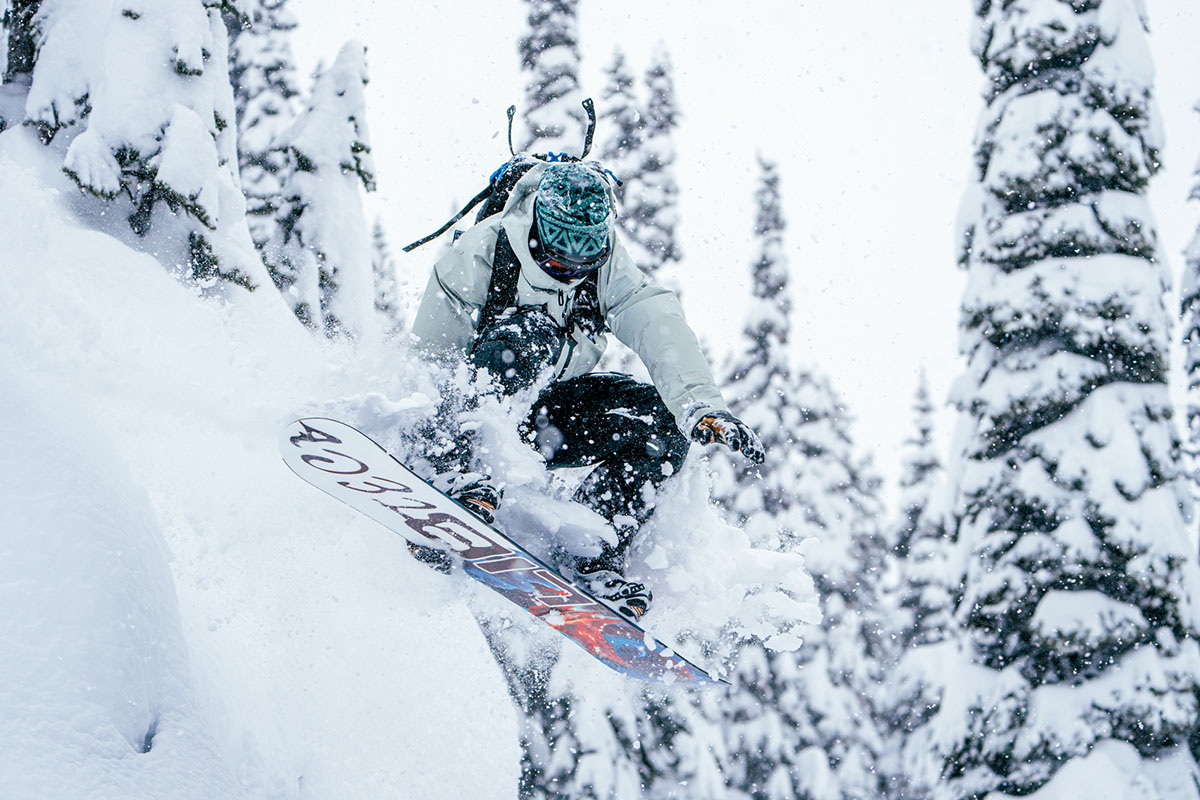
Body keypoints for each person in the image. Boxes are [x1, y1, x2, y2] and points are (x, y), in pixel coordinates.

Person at [411, 160, 763, 620]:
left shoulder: (607, 269)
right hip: (469, 415)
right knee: (529, 335)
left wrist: (699, 407)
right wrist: (437, 443)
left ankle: (590, 549)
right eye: (562, 242)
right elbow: (432, 359)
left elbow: (657, 325)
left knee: (662, 424)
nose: (573, 260)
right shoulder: (485, 249)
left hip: (544, 424)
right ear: (538, 224)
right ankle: (451, 473)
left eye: (588, 245)